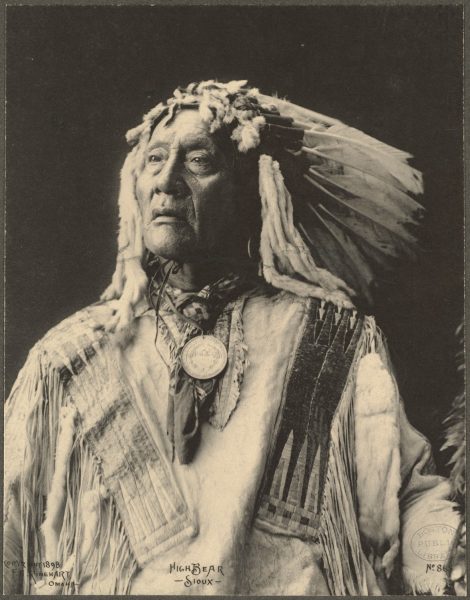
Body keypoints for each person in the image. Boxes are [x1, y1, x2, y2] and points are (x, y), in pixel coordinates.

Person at [3, 80, 464, 595]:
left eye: (199, 161)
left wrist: (446, 559)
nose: (167, 181)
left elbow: (409, 494)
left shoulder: (334, 338)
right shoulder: (71, 357)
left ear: (253, 187)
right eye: (154, 159)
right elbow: (12, 527)